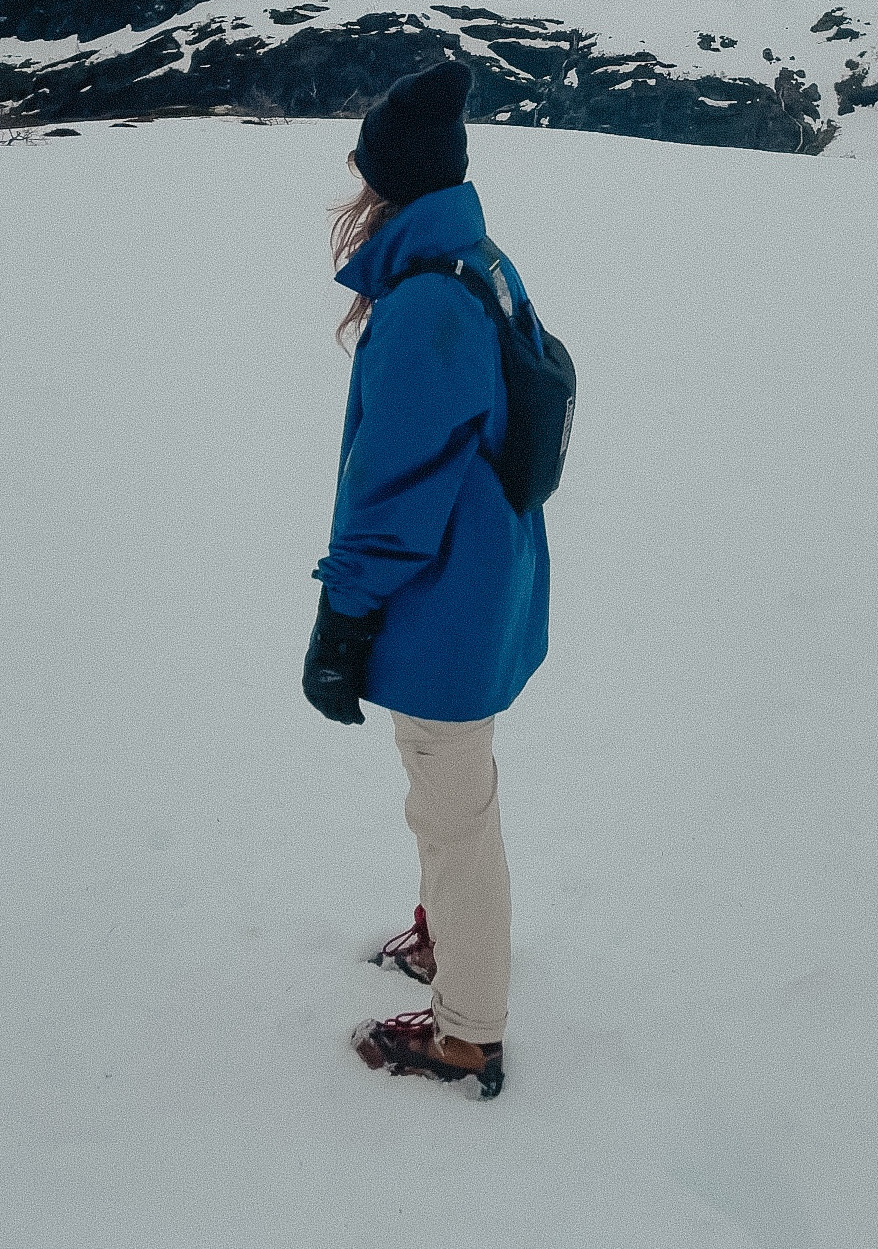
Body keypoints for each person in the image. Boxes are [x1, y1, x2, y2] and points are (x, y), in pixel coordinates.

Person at [302, 58, 550, 1100]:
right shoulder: (475, 263)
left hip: (446, 600)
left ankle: (467, 1033)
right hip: (486, 580)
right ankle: (449, 939)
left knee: (456, 809)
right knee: (449, 793)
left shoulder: (426, 309)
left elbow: (393, 491)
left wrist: (344, 613)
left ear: (391, 181)